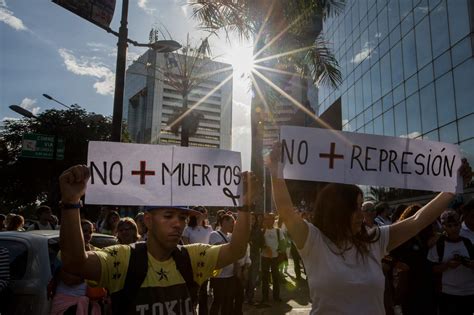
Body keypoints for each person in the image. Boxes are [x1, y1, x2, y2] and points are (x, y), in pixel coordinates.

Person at [266, 143, 472, 314]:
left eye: (361, 207)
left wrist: (452, 190)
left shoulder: (375, 239)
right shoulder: (313, 241)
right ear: (336, 211)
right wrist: (276, 171)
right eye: (354, 209)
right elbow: (285, 210)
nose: (361, 215)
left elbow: (418, 219)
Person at [58, 165, 256, 314]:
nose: (178, 224)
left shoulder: (193, 256)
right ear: (148, 221)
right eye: (168, 216)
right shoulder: (123, 258)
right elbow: (75, 262)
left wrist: (245, 206)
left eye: (182, 217)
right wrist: (71, 203)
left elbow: (236, 250)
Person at [390, 205, 438, 315]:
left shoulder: (426, 234)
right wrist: (397, 263)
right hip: (409, 286)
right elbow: (387, 256)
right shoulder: (400, 237)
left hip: (427, 284)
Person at [50, 220, 104, 315]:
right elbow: (69, 280)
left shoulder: (97, 252)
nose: (88, 234)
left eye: (90, 232)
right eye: (84, 231)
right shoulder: (64, 252)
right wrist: (90, 275)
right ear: (77, 232)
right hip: (66, 302)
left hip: (90, 303)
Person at [428, 210, 474, 315]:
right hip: (448, 294)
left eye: (456, 225)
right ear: (444, 227)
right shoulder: (438, 245)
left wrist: (470, 264)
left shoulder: (468, 242)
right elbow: (432, 269)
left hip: (470, 292)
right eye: (449, 226)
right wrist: (447, 265)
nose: (453, 229)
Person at [182, 206, 213, 315]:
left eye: (204, 212)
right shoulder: (188, 229)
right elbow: (186, 247)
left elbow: (211, 245)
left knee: (204, 292)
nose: (202, 214)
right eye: (200, 212)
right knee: (193, 291)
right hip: (192, 263)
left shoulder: (209, 229)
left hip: (205, 263)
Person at [208, 214, 236, 314]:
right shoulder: (214, 234)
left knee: (228, 301)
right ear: (224, 222)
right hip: (219, 275)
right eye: (231, 222)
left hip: (230, 274)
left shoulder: (230, 236)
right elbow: (219, 249)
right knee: (218, 301)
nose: (233, 225)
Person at [260, 213, 281, 303]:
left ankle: (276, 297)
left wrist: (281, 253)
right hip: (264, 258)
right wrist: (264, 246)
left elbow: (282, 243)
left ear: (273, 220)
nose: (268, 221)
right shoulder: (262, 231)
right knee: (265, 278)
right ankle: (265, 297)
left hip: (275, 258)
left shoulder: (278, 231)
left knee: (276, 277)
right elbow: (258, 243)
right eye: (266, 219)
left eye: (270, 219)